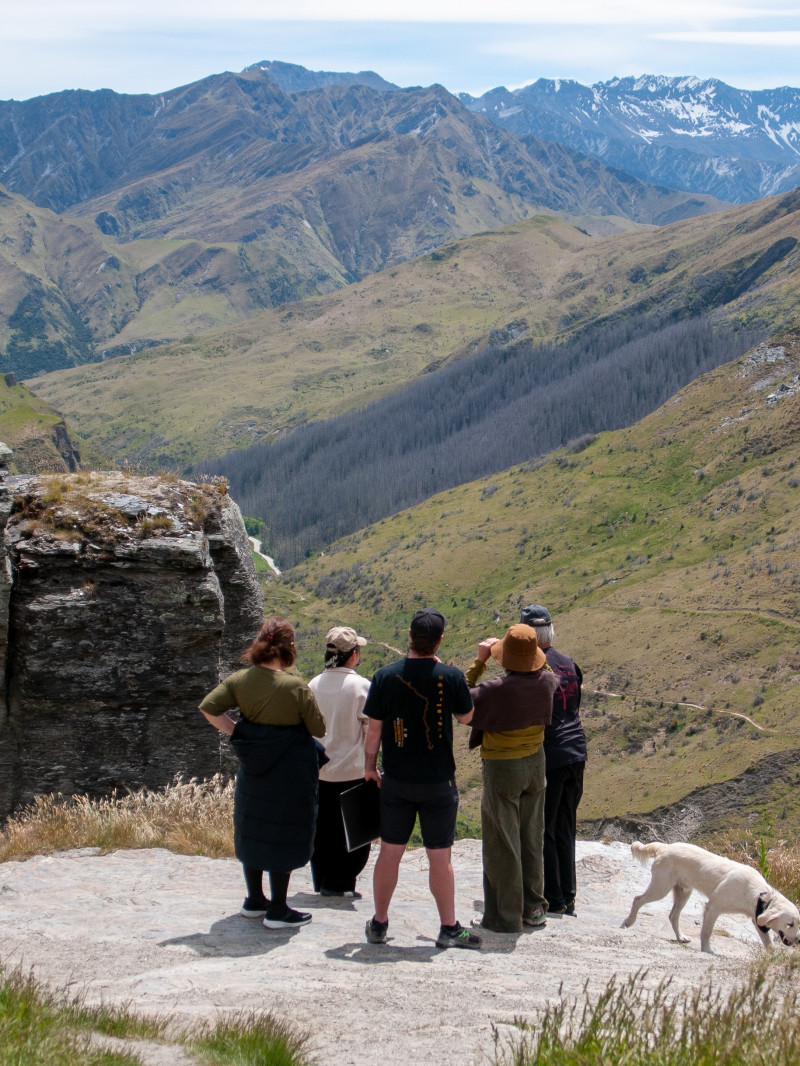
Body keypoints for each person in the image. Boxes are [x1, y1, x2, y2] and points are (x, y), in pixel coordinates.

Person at [363, 608, 481, 950]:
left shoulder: (384, 676)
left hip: (396, 780)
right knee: (439, 857)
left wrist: (371, 766)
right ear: (439, 641)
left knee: (390, 852)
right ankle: (448, 927)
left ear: (410, 638)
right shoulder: (451, 676)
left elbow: (375, 730)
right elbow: (467, 718)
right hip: (438, 782)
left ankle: (379, 923)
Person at [199, 616, 326, 929]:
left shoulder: (240, 680)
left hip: (253, 770)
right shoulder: (295, 686)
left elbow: (208, 708)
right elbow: (318, 728)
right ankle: (279, 909)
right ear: (288, 648)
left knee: (253, 829)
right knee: (284, 831)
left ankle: (254, 900)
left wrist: (239, 732)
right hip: (290, 773)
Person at [465, 624, 559, 933]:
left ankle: (504, 918)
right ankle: (534, 908)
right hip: (536, 764)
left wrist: (480, 661)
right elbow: (545, 668)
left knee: (501, 842)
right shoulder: (547, 680)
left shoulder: (495, 690)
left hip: (503, 767)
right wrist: (534, 656)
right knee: (531, 835)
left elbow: (461, 705)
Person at [521, 604, 586, 918]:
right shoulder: (570, 663)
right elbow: (575, 705)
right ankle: (569, 897)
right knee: (566, 826)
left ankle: (554, 898)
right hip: (576, 752)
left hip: (550, 755)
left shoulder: (532, 668)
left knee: (544, 827)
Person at [308, 625, 372, 898]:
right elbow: (371, 733)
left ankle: (324, 881)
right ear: (354, 655)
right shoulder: (361, 687)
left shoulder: (312, 684)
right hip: (352, 773)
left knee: (322, 831)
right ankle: (343, 882)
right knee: (354, 834)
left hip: (319, 771)